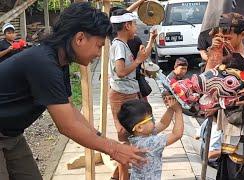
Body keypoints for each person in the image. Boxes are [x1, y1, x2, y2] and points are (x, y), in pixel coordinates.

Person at [0, 3, 146, 180]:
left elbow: (71, 110)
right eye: (99, 46)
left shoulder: (58, 62)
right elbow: (67, 125)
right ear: (80, 39)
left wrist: (100, 137)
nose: (99, 54)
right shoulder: (43, 64)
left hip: (11, 134)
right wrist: (113, 149)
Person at [205, 13, 244, 180]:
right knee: (227, 168)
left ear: (242, 35)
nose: (224, 40)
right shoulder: (222, 55)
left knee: (241, 169)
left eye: (228, 37)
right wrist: (214, 53)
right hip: (225, 125)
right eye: (221, 36)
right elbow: (207, 84)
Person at [109, 8, 149, 180]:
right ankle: (122, 177)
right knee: (125, 137)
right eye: (134, 25)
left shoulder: (123, 44)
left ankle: (117, 175)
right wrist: (139, 60)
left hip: (130, 93)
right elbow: (120, 72)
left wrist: (151, 41)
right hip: (121, 95)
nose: (136, 28)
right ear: (126, 25)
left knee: (134, 135)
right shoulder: (118, 45)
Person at [118, 97, 184, 180]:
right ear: (139, 127)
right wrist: (178, 111)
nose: (154, 120)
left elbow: (163, 123)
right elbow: (176, 134)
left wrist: (171, 108)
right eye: (150, 119)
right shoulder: (149, 143)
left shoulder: (138, 136)